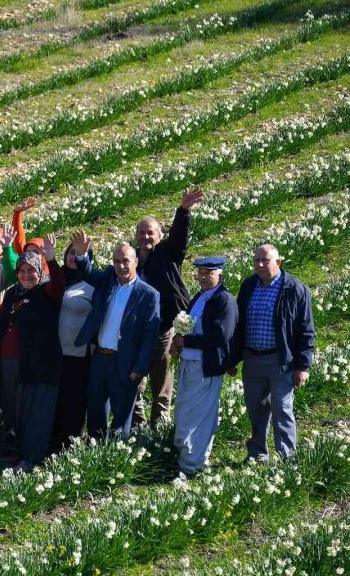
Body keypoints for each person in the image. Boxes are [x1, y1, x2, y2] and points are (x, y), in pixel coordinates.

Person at [0, 237, 65, 471]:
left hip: (38, 365)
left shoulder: (47, 293)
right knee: (13, 409)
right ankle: (16, 451)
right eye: (22, 270)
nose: (27, 275)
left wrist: (51, 259)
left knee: (35, 410)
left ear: (40, 271)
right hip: (9, 362)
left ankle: (31, 456)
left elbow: (58, 284)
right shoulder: (12, 294)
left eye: (32, 271)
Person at [228, 244, 315, 460]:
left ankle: (287, 457)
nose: (259, 265)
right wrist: (232, 358)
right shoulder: (249, 285)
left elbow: (306, 329)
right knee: (256, 407)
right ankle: (258, 454)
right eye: (256, 260)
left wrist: (303, 366)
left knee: (281, 408)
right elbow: (238, 324)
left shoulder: (294, 289)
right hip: (252, 359)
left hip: (281, 360)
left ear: (278, 262)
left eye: (265, 261)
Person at [72, 232, 160, 439]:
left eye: (126, 261)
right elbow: (88, 274)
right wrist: (82, 255)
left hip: (125, 363)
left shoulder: (148, 295)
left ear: (136, 262)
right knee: (96, 412)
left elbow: (149, 336)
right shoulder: (108, 279)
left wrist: (139, 368)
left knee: (121, 418)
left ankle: (117, 453)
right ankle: (95, 451)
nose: (121, 266)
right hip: (101, 358)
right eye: (117, 261)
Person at [132, 188, 205, 427]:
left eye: (150, 233)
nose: (146, 237)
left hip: (163, 329)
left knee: (162, 384)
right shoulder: (132, 260)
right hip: (137, 331)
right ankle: (138, 426)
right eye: (142, 233)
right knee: (134, 383)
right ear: (136, 236)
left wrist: (183, 211)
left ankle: (158, 428)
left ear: (160, 235)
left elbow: (179, 237)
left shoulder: (167, 253)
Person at [171, 257, 238, 476]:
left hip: (205, 366)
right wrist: (178, 342)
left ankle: (191, 466)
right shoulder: (200, 297)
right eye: (200, 272)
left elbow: (220, 336)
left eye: (208, 273)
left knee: (197, 417)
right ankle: (192, 460)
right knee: (185, 413)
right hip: (189, 363)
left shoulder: (224, 300)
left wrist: (187, 342)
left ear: (220, 275)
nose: (202, 277)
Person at [51, 240, 95, 451]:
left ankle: (71, 442)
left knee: (74, 399)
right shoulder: (56, 278)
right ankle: (52, 441)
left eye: (78, 253)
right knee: (55, 397)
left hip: (78, 353)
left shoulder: (90, 284)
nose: (72, 257)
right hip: (54, 350)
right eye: (70, 252)